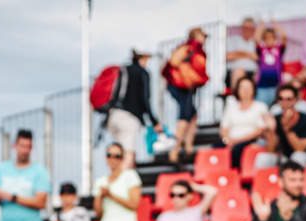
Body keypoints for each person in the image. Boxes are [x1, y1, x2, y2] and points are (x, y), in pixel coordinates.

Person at [107, 50, 162, 170]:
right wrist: (154, 122)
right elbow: (145, 100)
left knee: (117, 154)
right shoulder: (143, 73)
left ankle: (116, 183)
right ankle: (126, 186)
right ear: (145, 56)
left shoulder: (123, 70)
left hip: (113, 116)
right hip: (129, 118)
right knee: (128, 152)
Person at [163, 27, 209, 164]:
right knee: (184, 116)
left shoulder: (191, 48)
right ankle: (174, 151)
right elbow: (176, 63)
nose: (205, 39)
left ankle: (188, 148)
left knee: (192, 115)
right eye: (203, 35)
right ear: (195, 35)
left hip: (183, 87)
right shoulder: (190, 48)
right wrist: (189, 79)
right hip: (182, 87)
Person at [258, 84, 306, 168]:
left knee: (297, 157)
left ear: (295, 100)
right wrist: (271, 130)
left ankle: (296, 180)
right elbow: (270, 151)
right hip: (285, 158)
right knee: (263, 158)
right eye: (281, 99)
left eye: (289, 99)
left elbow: (300, 149)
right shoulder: (276, 119)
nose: (285, 103)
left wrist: (287, 128)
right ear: (278, 101)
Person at [218, 76, 269, 168]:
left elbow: (260, 130)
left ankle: (235, 176)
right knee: (214, 149)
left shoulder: (261, 107)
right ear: (237, 90)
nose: (246, 90)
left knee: (236, 151)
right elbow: (224, 129)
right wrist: (227, 140)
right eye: (242, 87)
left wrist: (237, 141)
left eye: (249, 87)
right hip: (231, 141)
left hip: (250, 140)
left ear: (254, 89)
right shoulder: (231, 108)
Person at [254, 21, 287, 106]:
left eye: (271, 38)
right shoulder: (262, 50)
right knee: (262, 106)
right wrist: (260, 26)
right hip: (262, 85)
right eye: (267, 38)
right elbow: (255, 39)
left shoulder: (279, 49)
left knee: (275, 107)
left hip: (276, 85)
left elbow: (284, 37)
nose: (269, 40)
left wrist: (275, 25)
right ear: (263, 40)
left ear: (275, 38)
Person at [225, 17, 259, 92]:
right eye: (246, 27)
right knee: (238, 71)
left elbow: (258, 57)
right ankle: (236, 98)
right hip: (233, 74)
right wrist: (250, 54)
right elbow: (228, 56)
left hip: (253, 73)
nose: (248, 30)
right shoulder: (233, 40)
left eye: (251, 28)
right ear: (242, 28)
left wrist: (238, 53)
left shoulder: (256, 41)